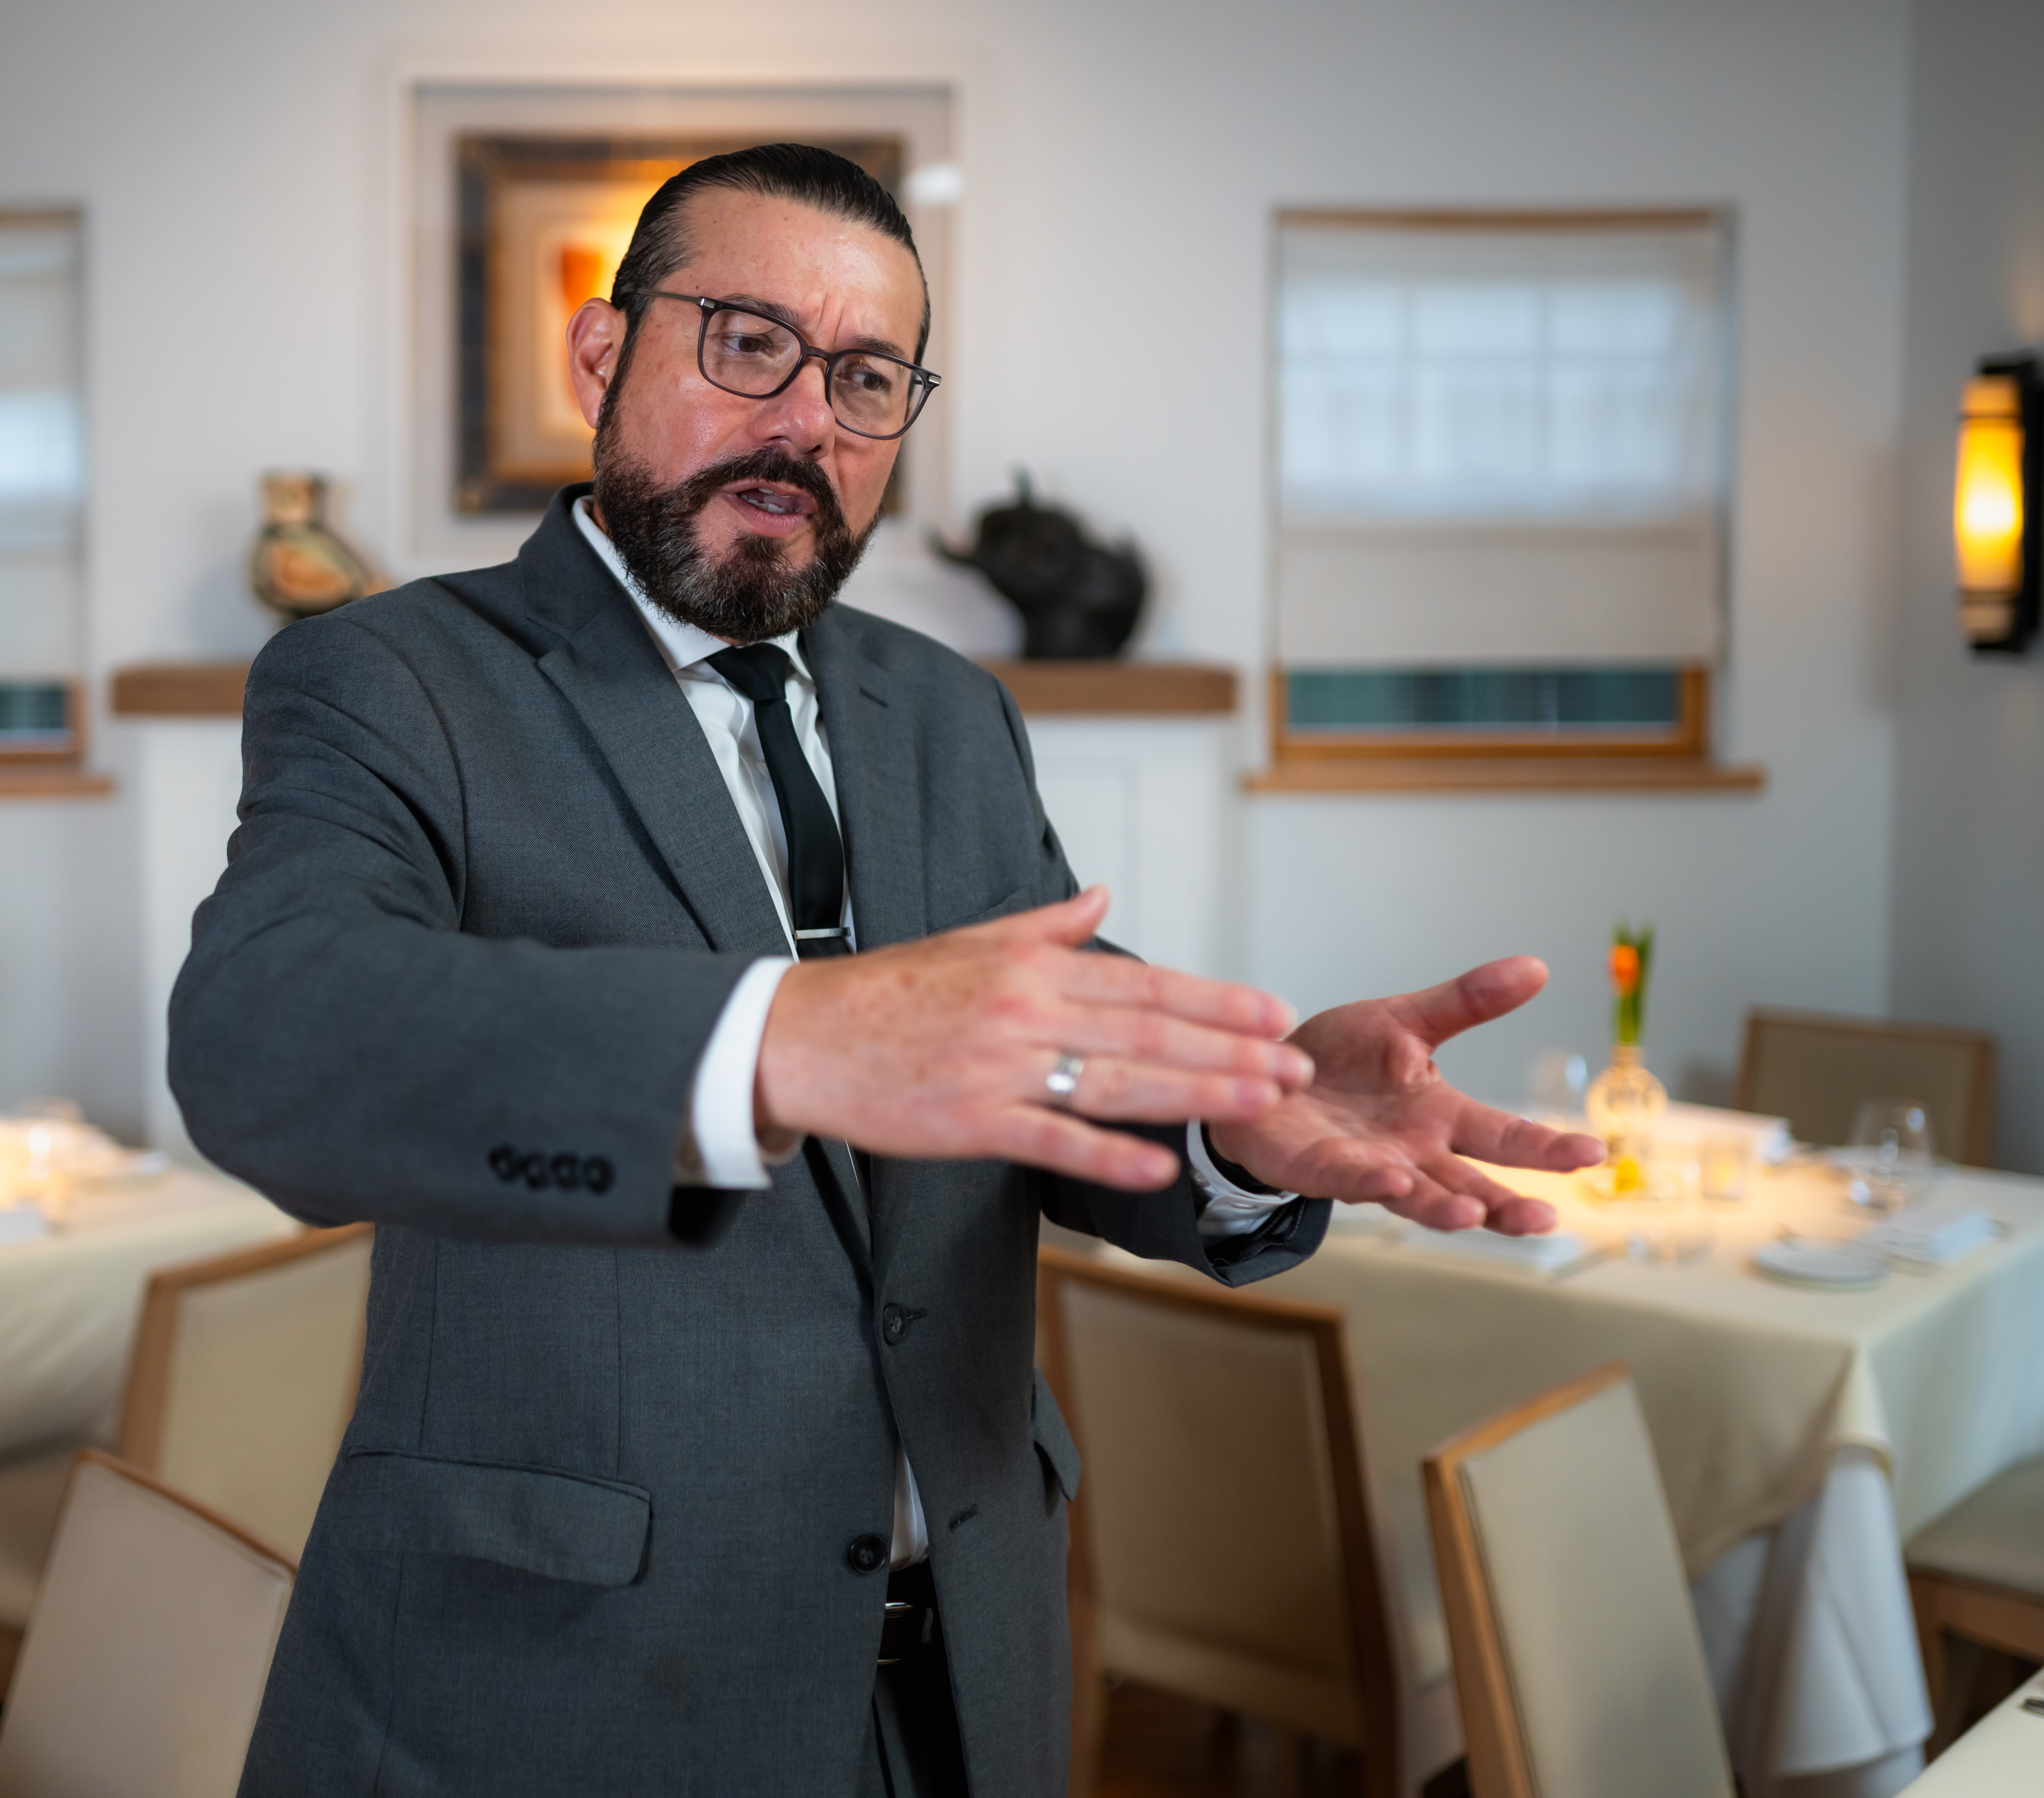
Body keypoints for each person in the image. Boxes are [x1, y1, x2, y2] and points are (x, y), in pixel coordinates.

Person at [170, 143, 1600, 1798]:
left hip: (965, 1678)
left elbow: (1023, 1053)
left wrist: (1239, 1118)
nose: (804, 423)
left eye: (864, 379)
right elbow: (267, 1038)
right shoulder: (390, 677)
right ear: (599, 356)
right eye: (745, 342)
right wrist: (780, 1041)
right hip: (553, 1692)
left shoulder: (947, 708)